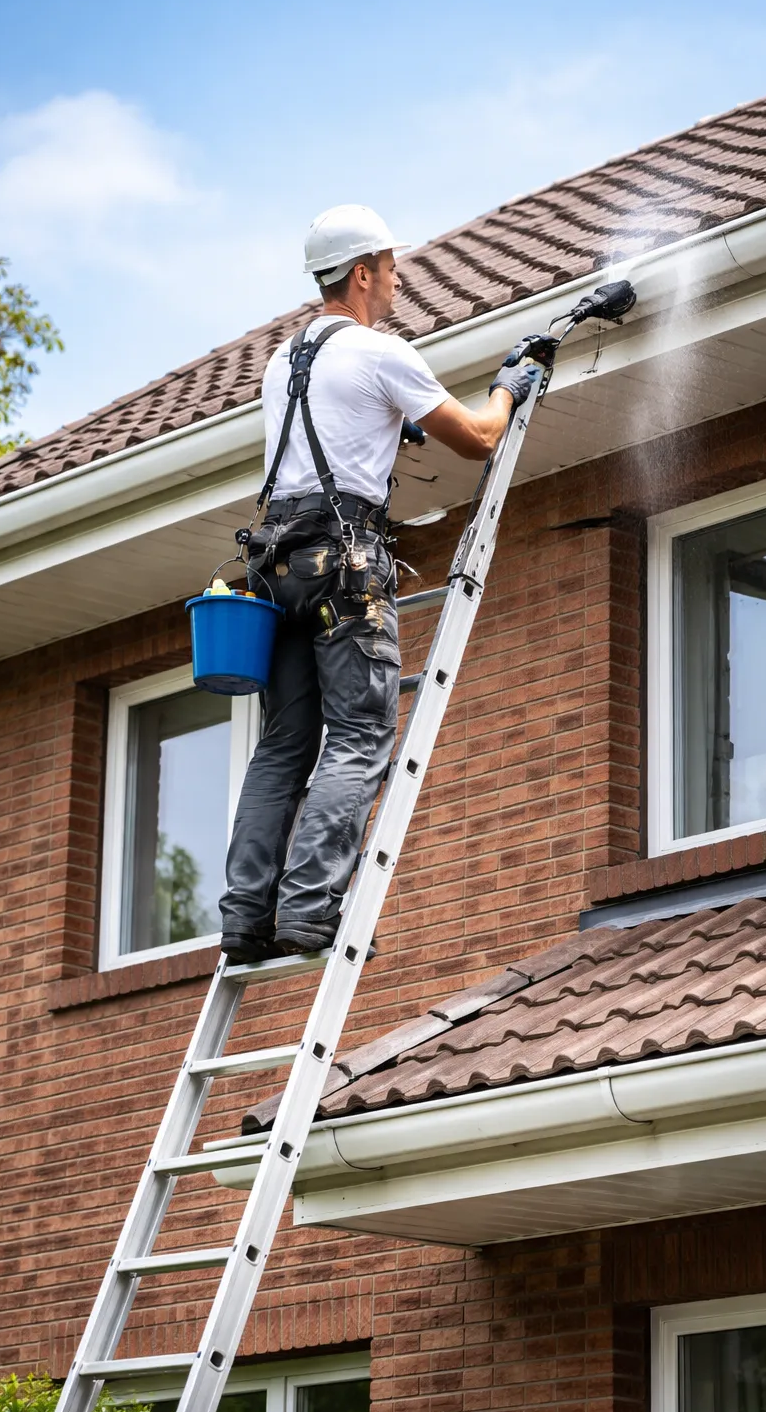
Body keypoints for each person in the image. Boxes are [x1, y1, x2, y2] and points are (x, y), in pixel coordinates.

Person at [219, 204, 539, 961]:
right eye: (392, 269)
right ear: (362, 273)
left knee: (284, 744)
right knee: (360, 733)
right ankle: (306, 910)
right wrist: (508, 387)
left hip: (281, 567)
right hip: (344, 564)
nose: (398, 283)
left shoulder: (281, 363)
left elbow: (325, 437)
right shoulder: (379, 350)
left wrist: (388, 424)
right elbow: (479, 440)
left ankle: (244, 917)